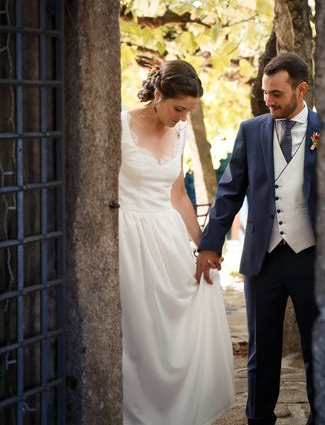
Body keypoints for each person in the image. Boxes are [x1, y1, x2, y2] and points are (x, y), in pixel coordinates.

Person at [196, 53, 320, 425]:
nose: (269, 100)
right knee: (261, 350)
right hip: (262, 259)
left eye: (277, 93)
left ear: (301, 89)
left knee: (321, 351)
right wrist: (209, 243)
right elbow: (230, 193)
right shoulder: (251, 131)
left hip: (314, 259)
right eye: (265, 93)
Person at [119, 60, 234, 424]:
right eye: (179, 108)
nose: (183, 118)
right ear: (157, 96)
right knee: (139, 332)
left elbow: (179, 196)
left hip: (167, 236)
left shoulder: (181, 133)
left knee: (181, 318)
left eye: (190, 111)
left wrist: (204, 247)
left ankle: (177, 412)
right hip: (127, 236)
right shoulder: (119, 124)